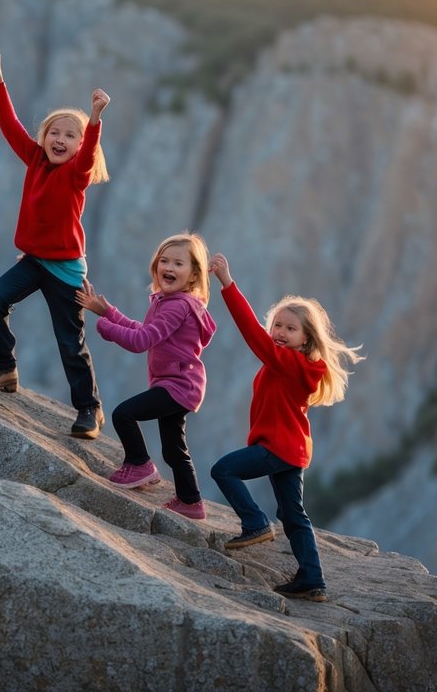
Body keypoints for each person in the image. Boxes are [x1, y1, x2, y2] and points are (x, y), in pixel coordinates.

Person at [0, 51, 110, 439]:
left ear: (80, 146)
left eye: (70, 136)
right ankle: (3, 368)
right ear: (43, 137)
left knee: (69, 342)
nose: (60, 140)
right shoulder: (34, 159)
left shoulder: (76, 175)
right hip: (33, 260)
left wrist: (94, 118)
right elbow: (10, 125)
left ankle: (89, 409)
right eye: (54, 133)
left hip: (64, 269)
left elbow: (88, 154)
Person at [208, 253, 364, 602]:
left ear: (306, 341)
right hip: (290, 449)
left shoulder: (291, 365)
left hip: (278, 447)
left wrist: (228, 285)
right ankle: (312, 579)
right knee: (293, 515)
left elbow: (252, 334)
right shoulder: (287, 365)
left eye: (290, 329)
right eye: (277, 325)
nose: (279, 333)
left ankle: (255, 523)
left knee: (224, 470)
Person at [76, 233, 217, 520]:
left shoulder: (177, 305)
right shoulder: (172, 302)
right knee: (174, 447)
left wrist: (106, 327)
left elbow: (141, 341)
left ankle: (140, 465)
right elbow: (146, 331)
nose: (169, 267)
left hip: (177, 385)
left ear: (193, 276)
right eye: (164, 260)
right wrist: (109, 312)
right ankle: (191, 502)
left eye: (179, 263)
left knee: (124, 414)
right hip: (180, 385)